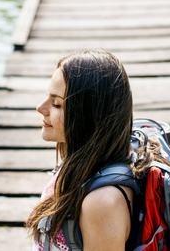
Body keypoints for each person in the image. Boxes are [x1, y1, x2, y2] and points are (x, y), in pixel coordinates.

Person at [26, 49, 135, 251]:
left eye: (57, 104)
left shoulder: (103, 203)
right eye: (47, 97)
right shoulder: (82, 162)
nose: (40, 108)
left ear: (89, 116)